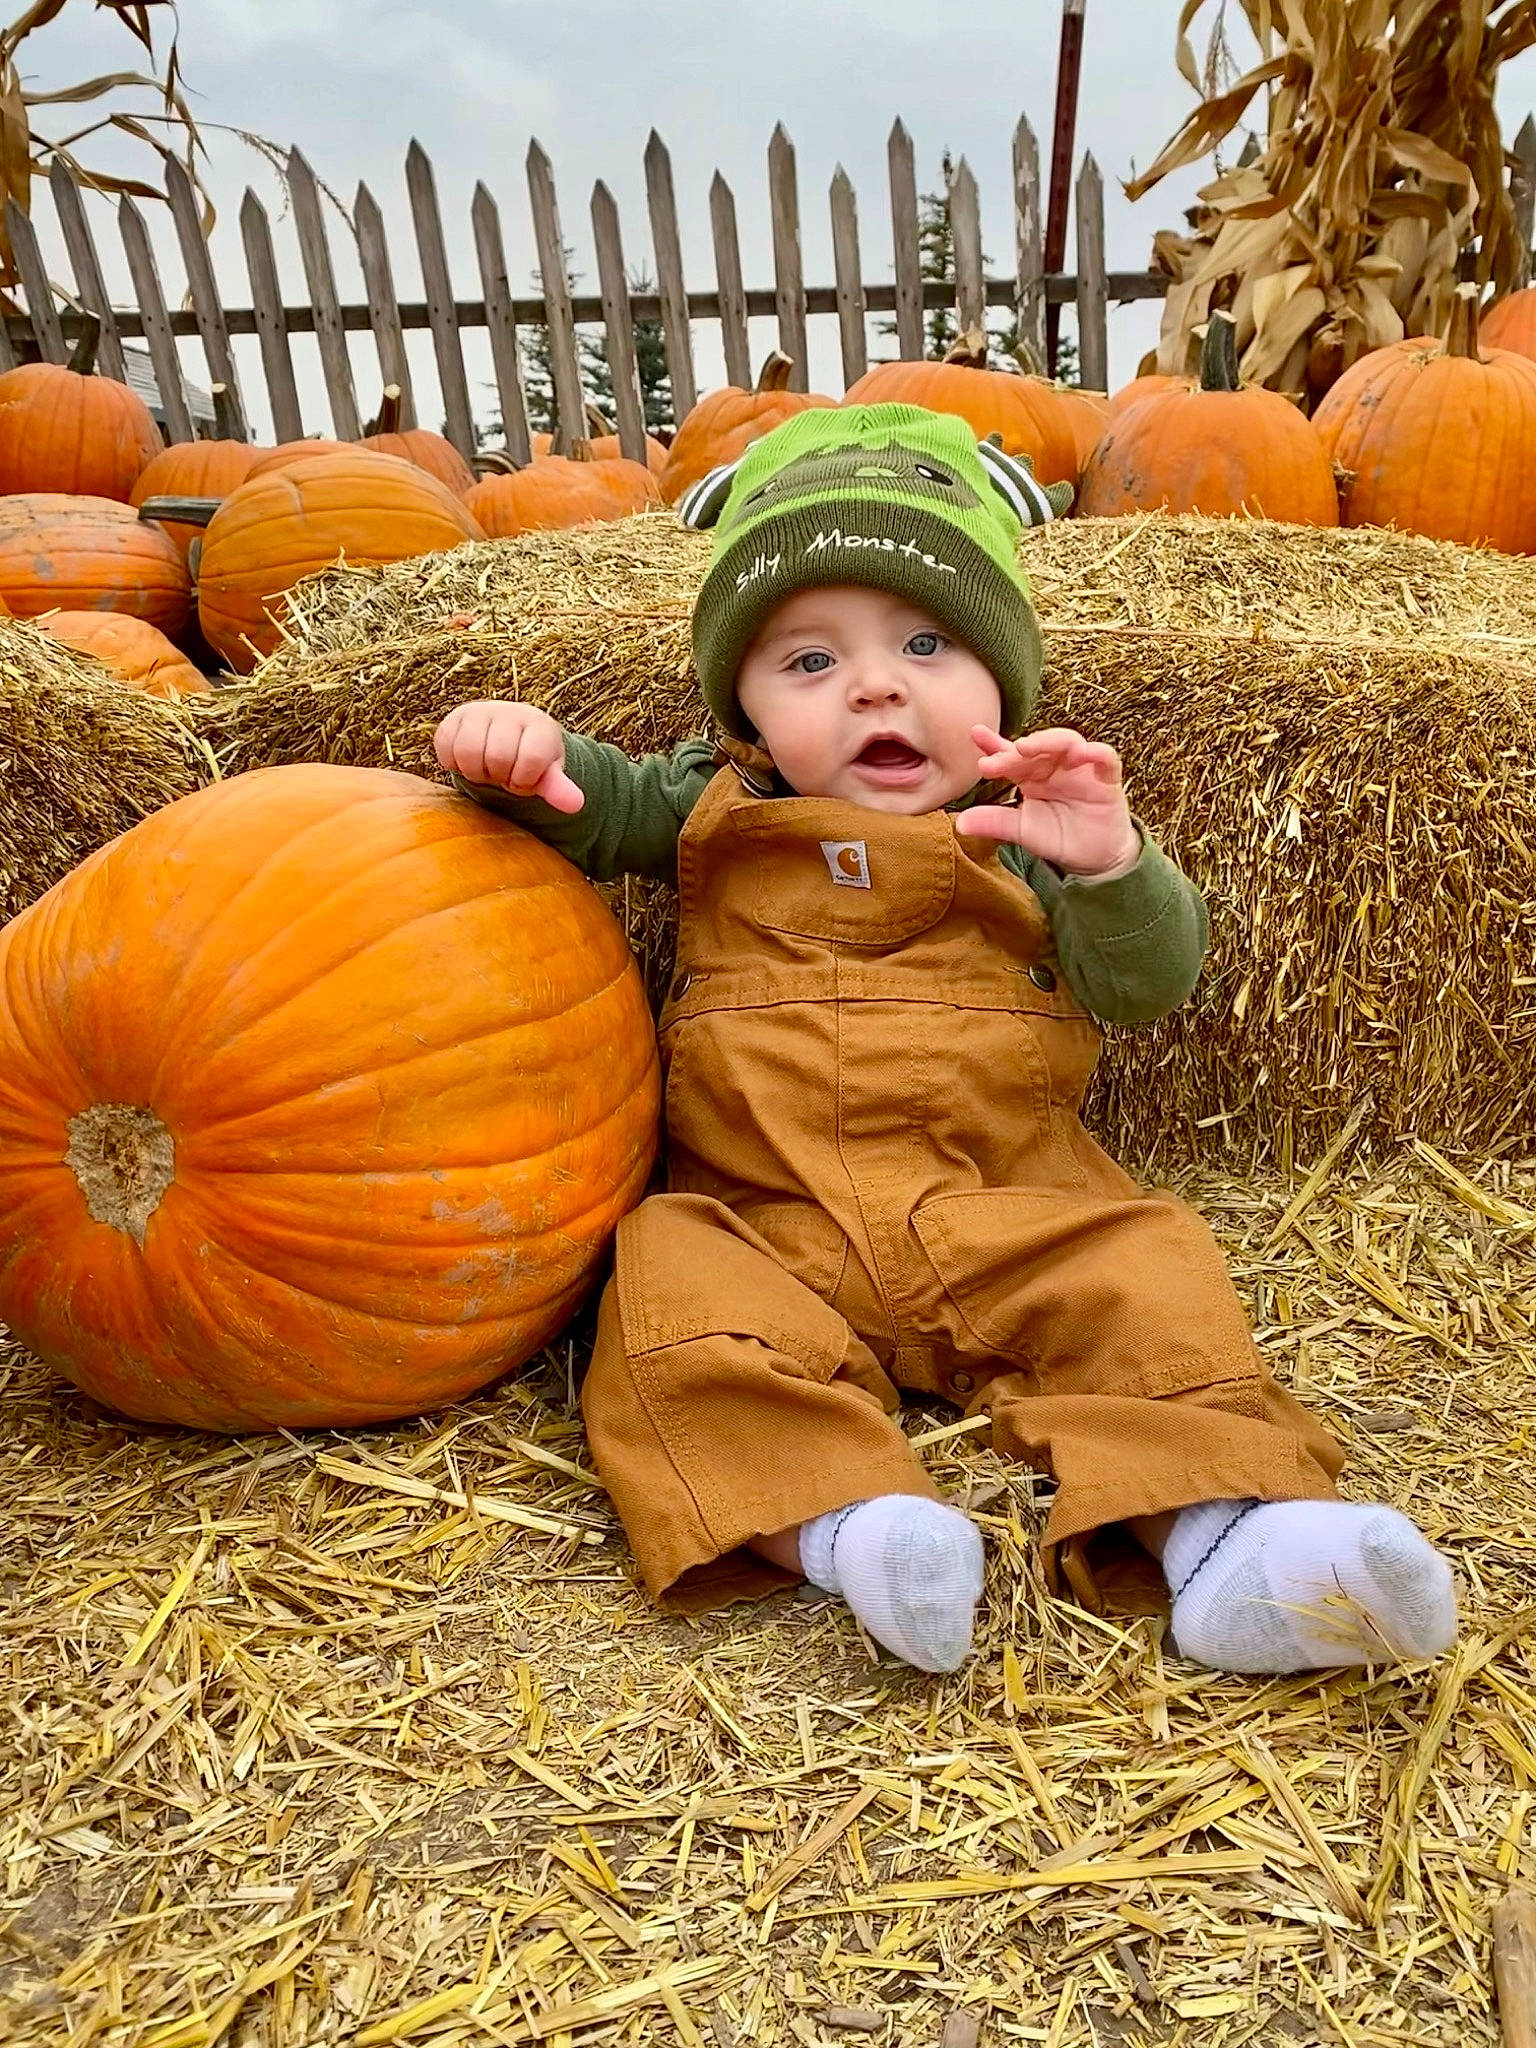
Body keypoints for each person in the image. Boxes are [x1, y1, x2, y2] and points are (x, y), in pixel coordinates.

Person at [434, 404, 1456, 1677]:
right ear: (743, 709)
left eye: (927, 643)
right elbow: (573, 804)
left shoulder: (1037, 819)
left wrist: (1116, 864)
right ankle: (853, 1524)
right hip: (768, 1218)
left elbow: (1146, 984)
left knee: (1144, 1274)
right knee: (662, 1294)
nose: (874, 683)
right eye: (806, 662)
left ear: (1000, 681)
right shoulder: (704, 795)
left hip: (1006, 1207)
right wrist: (510, 756)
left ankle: (1232, 1541)